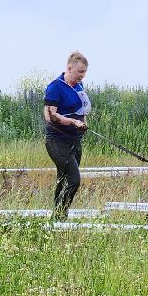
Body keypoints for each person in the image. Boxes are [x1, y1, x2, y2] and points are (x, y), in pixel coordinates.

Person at [42, 52, 90, 219]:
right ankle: (60, 215)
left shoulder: (79, 86)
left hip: (74, 140)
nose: (82, 76)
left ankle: (57, 220)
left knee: (62, 179)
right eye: (80, 72)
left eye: (84, 72)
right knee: (73, 180)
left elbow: (82, 109)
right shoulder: (55, 87)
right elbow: (49, 116)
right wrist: (72, 122)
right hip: (57, 141)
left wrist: (83, 122)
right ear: (70, 68)